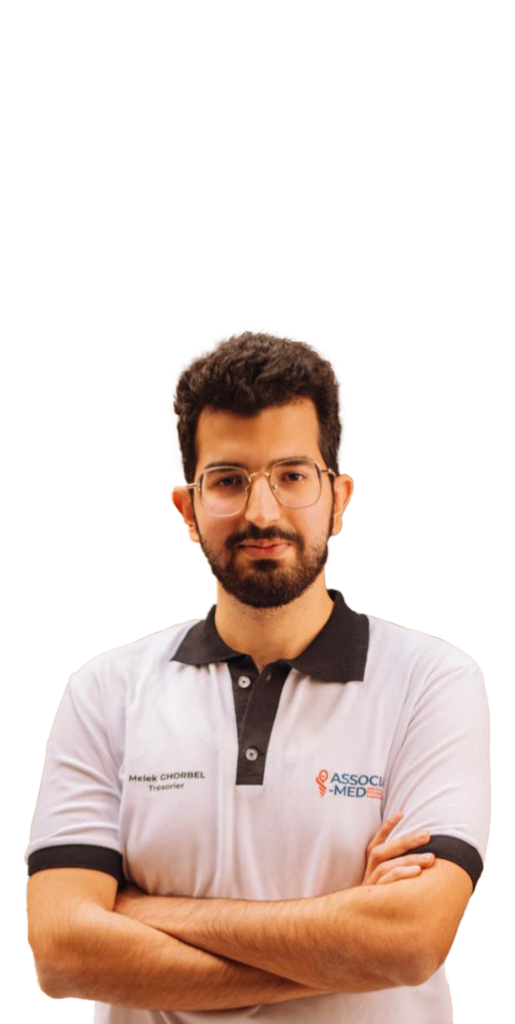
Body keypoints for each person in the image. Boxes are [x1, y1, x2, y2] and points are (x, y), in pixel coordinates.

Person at [25, 329, 491, 1023]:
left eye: (292, 476)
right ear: (188, 510)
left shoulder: (432, 681)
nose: (262, 512)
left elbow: (409, 941)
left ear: (338, 497)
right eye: (228, 480)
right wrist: (343, 945)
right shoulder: (104, 691)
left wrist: (142, 912)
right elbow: (64, 954)